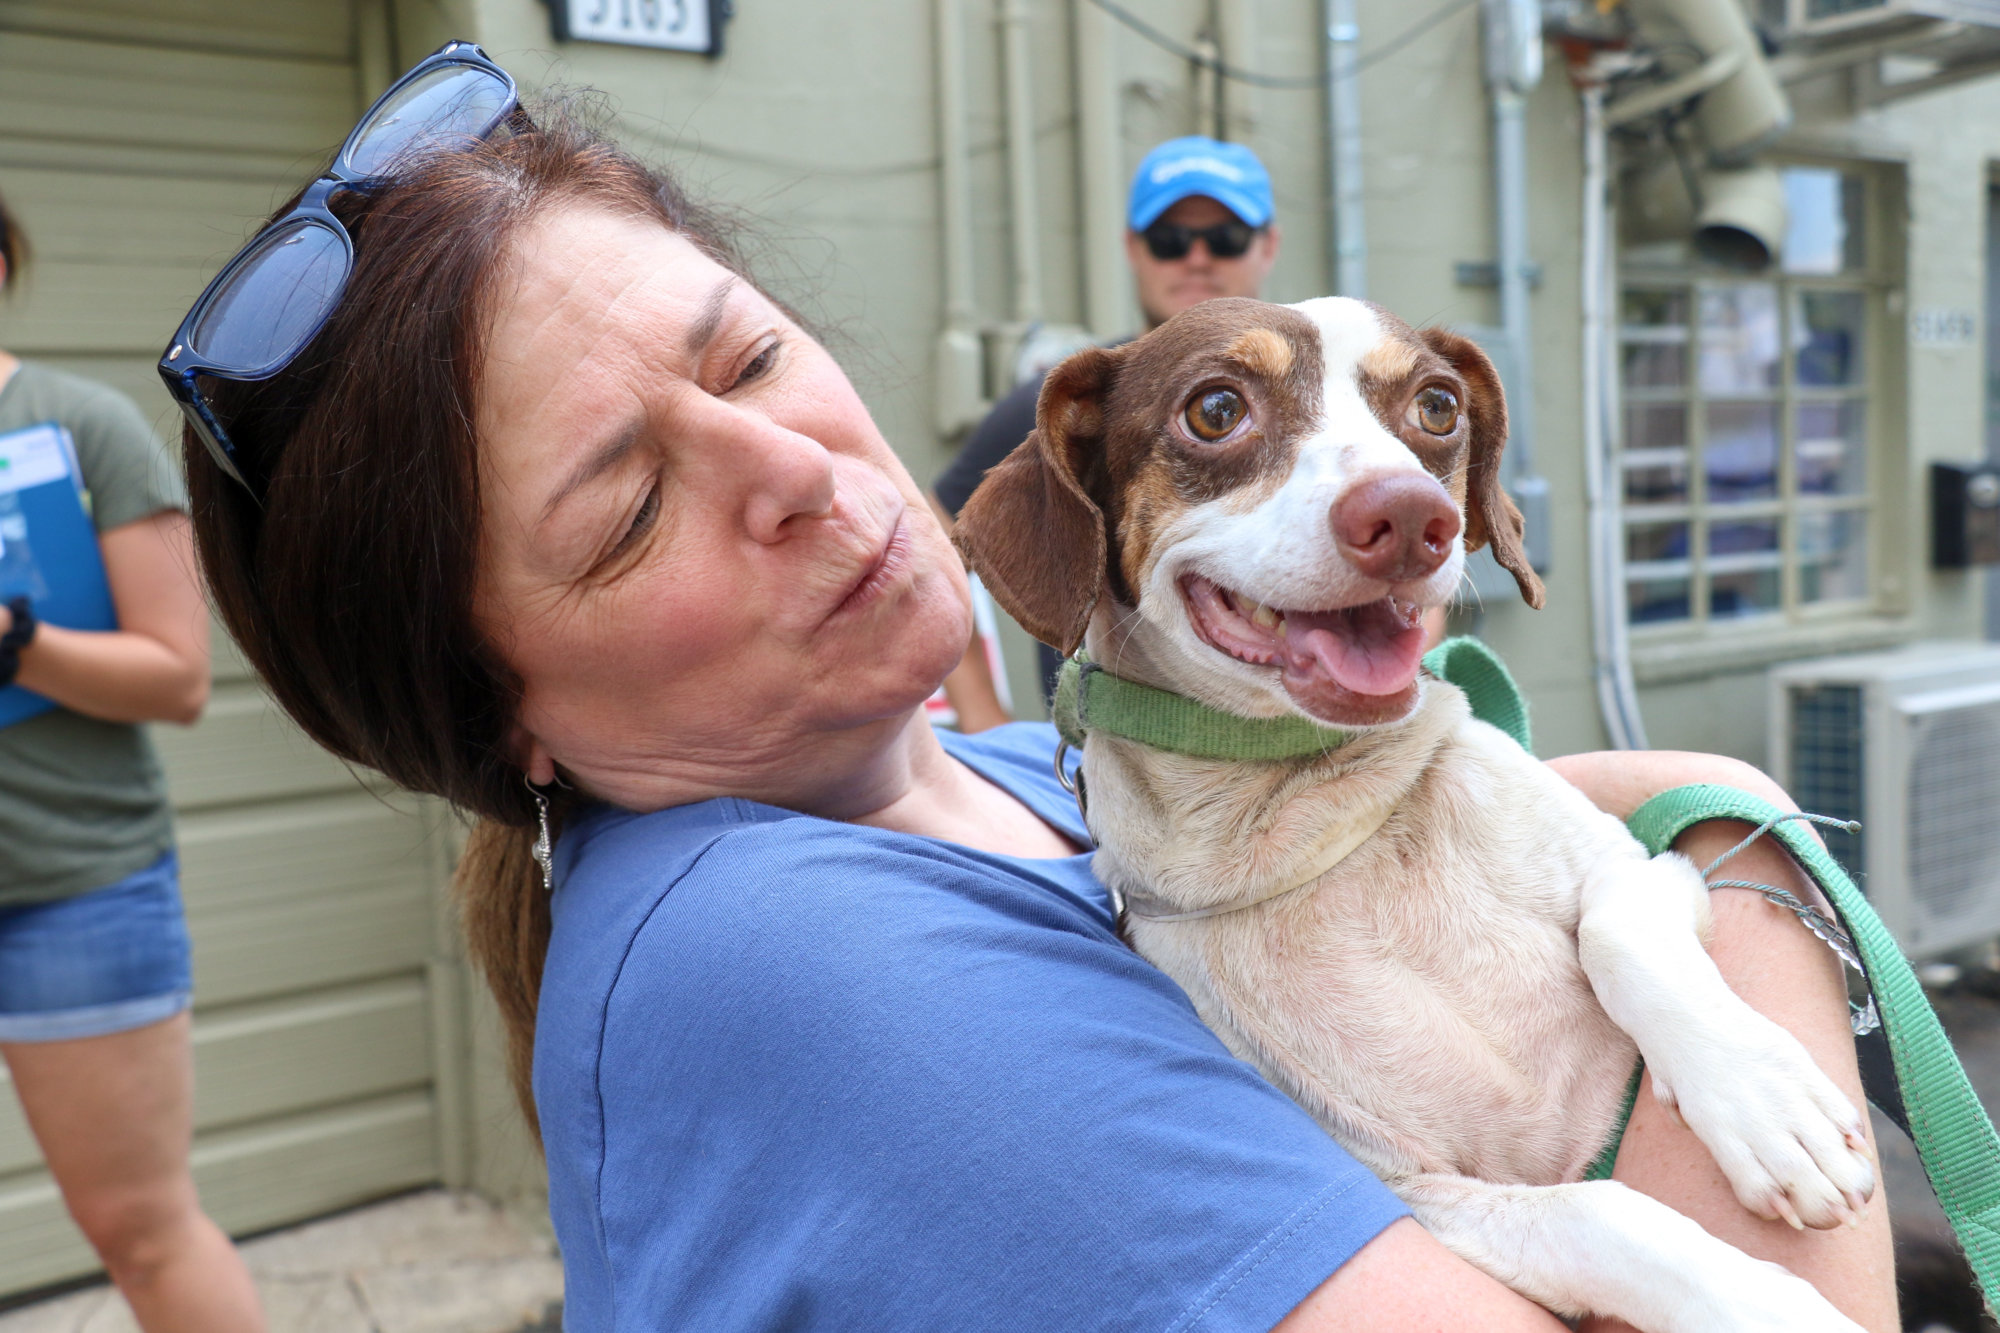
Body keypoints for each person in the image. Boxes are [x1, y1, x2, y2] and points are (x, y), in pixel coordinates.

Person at [169, 62, 1894, 1332]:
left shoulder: (1036, 774)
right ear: (501, 720)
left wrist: (1660, 843)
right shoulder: (794, 963)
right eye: (626, 509)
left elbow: (1512, 825)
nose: (796, 465)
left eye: (752, 354)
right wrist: (1740, 846)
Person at [0, 190, 263, 1330]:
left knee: (142, 1233)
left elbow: (178, 677)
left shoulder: (81, 426)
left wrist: (17, 642)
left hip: (74, 891)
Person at [932, 136, 1291, 722]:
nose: (1197, 258)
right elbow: (930, 548)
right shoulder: (1080, 401)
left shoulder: (1338, 388)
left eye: (1225, 238)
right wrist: (983, 720)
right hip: (1115, 769)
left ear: (1268, 245)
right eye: (1169, 240)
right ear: (1132, 248)